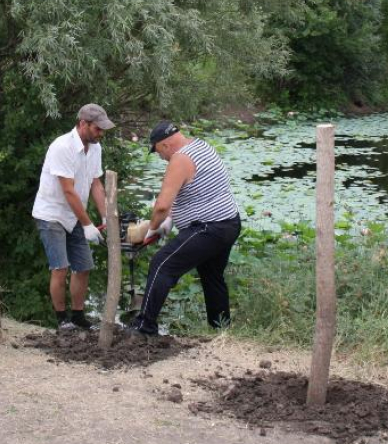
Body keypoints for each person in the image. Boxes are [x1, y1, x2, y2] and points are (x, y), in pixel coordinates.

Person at [128, 121, 241, 339]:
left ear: (165, 145)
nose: (161, 157)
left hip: (208, 228)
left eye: (158, 152)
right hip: (229, 222)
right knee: (212, 276)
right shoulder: (201, 146)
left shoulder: (179, 159)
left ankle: (145, 326)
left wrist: (152, 229)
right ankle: (222, 331)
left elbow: (161, 205)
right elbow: (185, 193)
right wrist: (169, 219)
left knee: (161, 264)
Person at [32, 104, 115, 331]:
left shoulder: (95, 148)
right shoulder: (62, 147)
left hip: (76, 213)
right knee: (60, 267)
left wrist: (106, 216)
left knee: (84, 266)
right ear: (83, 124)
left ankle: (78, 316)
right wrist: (88, 224)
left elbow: (96, 184)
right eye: (98, 129)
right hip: (52, 213)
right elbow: (68, 190)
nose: (101, 134)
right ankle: (62, 320)